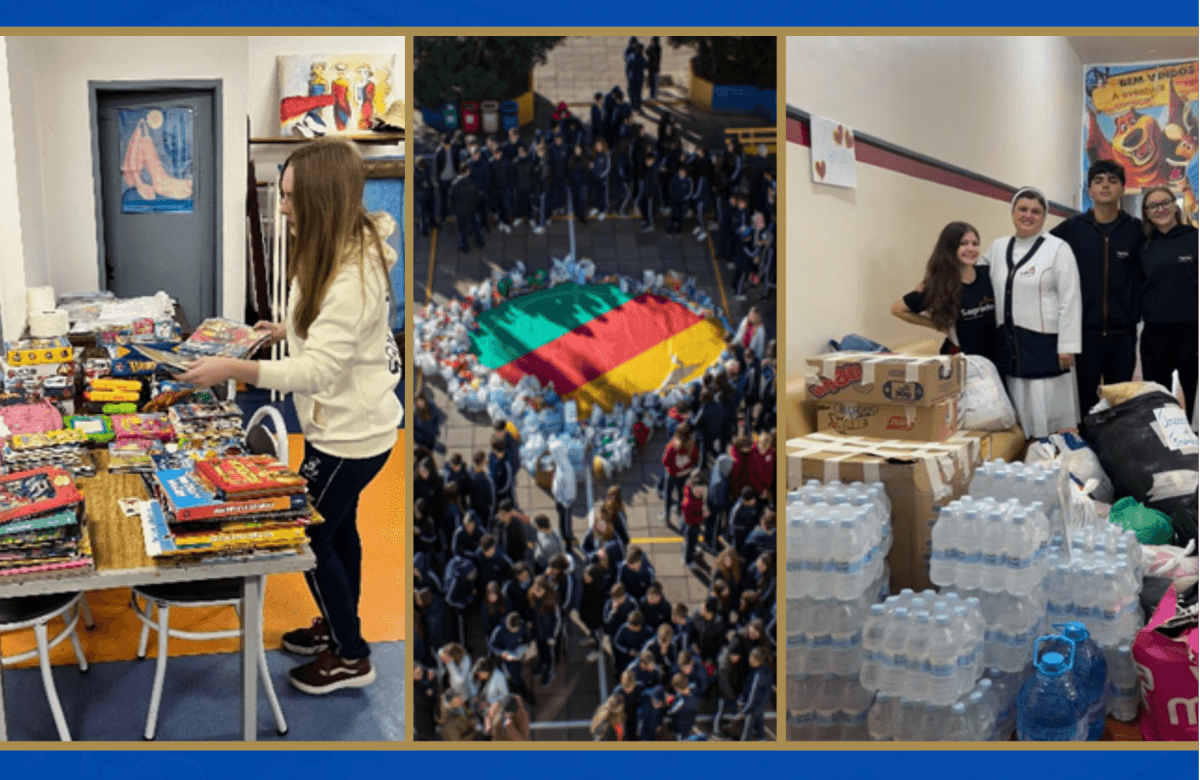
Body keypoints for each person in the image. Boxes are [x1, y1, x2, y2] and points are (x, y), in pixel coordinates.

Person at [180, 139, 400, 694]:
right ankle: (338, 626)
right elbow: (330, 337)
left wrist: (235, 367)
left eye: (289, 197)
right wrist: (284, 331)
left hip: (352, 436)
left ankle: (352, 656)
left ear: (321, 199)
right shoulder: (338, 248)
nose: (281, 207)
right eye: (280, 196)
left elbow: (320, 371)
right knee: (338, 526)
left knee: (306, 532)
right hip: (350, 427)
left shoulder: (351, 277)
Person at [984, 187, 1083, 438]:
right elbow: (973, 276)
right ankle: (1026, 453)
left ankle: (1052, 451)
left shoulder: (1058, 249)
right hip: (1011, 340)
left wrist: (1068, 344)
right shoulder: (997, 247)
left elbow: (1070, 298)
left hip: (1047, 343)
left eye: (1036, 211)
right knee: (1019, 401)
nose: (1028, 215)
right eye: (1023, 209)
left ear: (1044, 216)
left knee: (1046, 403)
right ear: (1013, 212)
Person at [1050, 160, 1144, 414]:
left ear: (1123, 189)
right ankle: (1086, 451)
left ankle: (1117, 450)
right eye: (1099, 181)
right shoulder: (1071, 230)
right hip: (1084, 335)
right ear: (1089, 190)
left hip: (1122, 335)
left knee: (1120, 403)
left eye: (1112, 181)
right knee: (1083, 403)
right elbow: (1038, 251)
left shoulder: (1136, 230)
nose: (1105, 186)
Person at [890, 221, 998, 365]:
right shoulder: (940, 285)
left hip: (994, 359)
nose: (971, 249)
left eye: (975, 243)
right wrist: (936, 325)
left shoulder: (988, 274)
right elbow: (898, 309)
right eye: (963, 244)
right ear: (950, 247)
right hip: (960, 362)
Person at [1138, 185, 1198, 416]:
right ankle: (1164, 445)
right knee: (1157, 398)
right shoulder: (1143, 245)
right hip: (1155, 335)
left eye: (1165, 203)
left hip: (1191, 333)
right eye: (1153, 206)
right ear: (1146, 212)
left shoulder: (1194, 238)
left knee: (1194, 393)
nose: (1160, 209)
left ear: (1175, 206)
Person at [646, 36, 663, 101]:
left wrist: (650, 46)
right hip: (651, 68)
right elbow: (647, 51)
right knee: (651, 83)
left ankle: (654, 96)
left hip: (654, 68)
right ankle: (651, 95)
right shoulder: (653, 47)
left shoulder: (657, 48)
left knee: (654, 83)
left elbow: (648, 52)